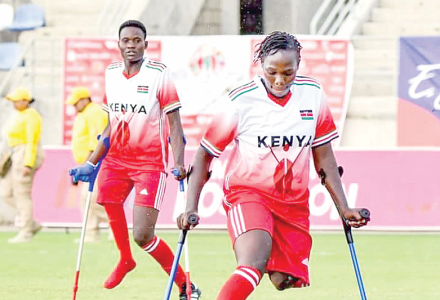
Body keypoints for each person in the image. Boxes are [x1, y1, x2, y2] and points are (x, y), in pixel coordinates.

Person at [177, 31, 370, 299]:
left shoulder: (313, 96)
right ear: (261, 65)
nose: (279, 80)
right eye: (272, 72)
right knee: (252, 263)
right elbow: (204, 155)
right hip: (248, 194)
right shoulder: (240, 101)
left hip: (293, 202)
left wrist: (344, 207)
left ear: (298, 64)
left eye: (288, 72)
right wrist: (190, 207)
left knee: (284, 280)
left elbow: (324, 157)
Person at [68, 20, 201, 299]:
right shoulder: (111, 73)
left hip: (149, 163)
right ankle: (125, 260)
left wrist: (179, 162)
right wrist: (91, 163)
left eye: (137, 40)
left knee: (142, 235)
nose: (131, 45)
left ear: (145, 44)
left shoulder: (159, 74)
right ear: (119, 44)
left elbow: (175, 125)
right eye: (126, 40)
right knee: (104, 198)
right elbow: (109, 126)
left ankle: (185, 285)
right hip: (116, 159)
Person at [65, 86, 110, 243]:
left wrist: (89, 163)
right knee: (86, 199)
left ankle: (116, 228)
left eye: (75, 103)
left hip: (97, 161)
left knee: (94, 198)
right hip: (88, 161)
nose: (73, 106)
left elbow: (97, 140)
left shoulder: (95, 112)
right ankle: (92, 233)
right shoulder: (83, 114)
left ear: (84, 100)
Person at [0, 87, 44, 243]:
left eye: (16, 101)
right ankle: (31, 223)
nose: (13, 104)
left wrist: (28, 163)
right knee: (6, 192)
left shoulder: (31, 116)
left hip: (25, 153)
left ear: (25, 101)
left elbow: (32, 141)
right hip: (15, 153)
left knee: (22, 193)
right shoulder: (19, 114)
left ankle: (26, 231)